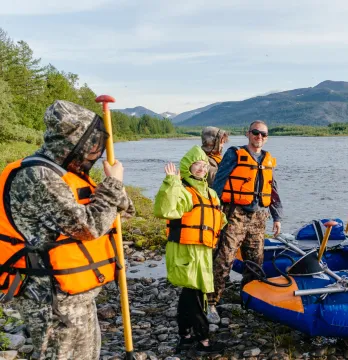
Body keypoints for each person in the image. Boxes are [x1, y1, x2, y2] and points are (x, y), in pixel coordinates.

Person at [0, 100, 134, 359]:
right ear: (73, 142)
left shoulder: (67, 174)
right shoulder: (37, 176)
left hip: (76, 291)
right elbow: (90, 227)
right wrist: (113, 184)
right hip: (50, 296)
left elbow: (123, 215)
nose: (93, 152)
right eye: (90, 144)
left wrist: (115, 186)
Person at [153, 145, 226, 353]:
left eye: (204, 165)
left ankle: (184, 336)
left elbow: (219, 218)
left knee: (189, 293)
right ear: (188, 166)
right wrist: (171, 182)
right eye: (197, 165)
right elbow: (165, 209)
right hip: (186, 249)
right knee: (196, 295)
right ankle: (203, 340)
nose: (201, 169)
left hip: (203, 250)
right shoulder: (182, 189)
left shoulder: (210, 192)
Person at [211, 120, 283, 306]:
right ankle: (211, 302)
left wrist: (277, 217)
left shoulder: (267, 159)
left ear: (267, 138)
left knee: (255, 263)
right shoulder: (234, 154)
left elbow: (272, 189)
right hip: (235, 214)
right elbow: (219, 181)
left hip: (259, 217)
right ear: (248, 134)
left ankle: (250, 300)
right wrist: (214, 209)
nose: (259, 136)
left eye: (263, 134)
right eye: (256, 132)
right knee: (224, 259)